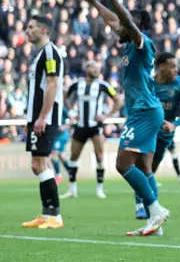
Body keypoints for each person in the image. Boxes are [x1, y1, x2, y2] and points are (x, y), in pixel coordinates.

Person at [86, 0, 169, 236]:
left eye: (125, 21)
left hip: (144, 111)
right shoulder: (129, 46)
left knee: (122, 164)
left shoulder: (142, 44)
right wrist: (96, 3)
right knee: (145, 168)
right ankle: (154, 223)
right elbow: (113, 20)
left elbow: (126, 23)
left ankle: (155, 210)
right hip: (145, 110)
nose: (117, 25)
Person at [132, 52, 180, 223]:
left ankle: (149, 206)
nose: (176, 70)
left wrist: (175, 124)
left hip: (165, 134)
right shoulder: (149, 84)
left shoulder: (179, 84)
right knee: (143, 167)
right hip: (147, 131)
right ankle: (142, 206)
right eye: (172, 66)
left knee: (151, 170)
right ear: (161, 67)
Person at [21, 15, 65, 229]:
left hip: (44, 118)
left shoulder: (49, 53)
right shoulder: (40, 54)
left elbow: (52, 85)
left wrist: (42, 117)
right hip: (37, 118)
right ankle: (47, 214)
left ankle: (55, 215)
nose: (26, 31)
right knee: (39, 164)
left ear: (43, 29)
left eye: (31, 27)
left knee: (39, 163)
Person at [61, 61, 123, 199]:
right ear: (86, 68)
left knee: (100, 156)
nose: (96, 70)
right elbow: (64, 96)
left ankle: (100, 188)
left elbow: (118, 101)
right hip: (81, 125)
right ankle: (72, 189)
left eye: (98, 68)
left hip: (96, 127)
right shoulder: (77, 84)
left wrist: (107, 116)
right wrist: (71, 112)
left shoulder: (103, 85)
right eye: (94, 68)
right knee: (73, 157)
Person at [51, 106, 72, 185]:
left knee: (53, 154)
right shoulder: (48, 106)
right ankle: (72, 172)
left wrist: (66, 126)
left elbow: (72, 118)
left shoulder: (61, 107)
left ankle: (58, 175)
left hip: (62, 134)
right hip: (55, 135)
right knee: (61, 155)